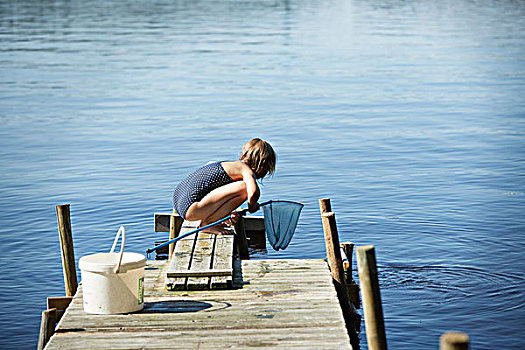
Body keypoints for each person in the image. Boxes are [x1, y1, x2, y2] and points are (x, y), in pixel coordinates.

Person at [173, 138, 276, 234]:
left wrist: (226, 214)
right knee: (244, 188)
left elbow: (212, 193)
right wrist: (252, 206)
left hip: (179, 202)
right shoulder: (245, 169)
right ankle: (207, 224)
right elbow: (254, 192)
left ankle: (211, 220)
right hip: (191, 209)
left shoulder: (223, 164)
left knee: (239, 188)